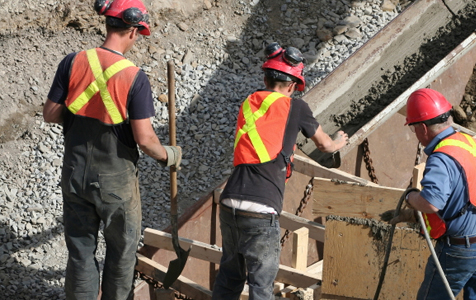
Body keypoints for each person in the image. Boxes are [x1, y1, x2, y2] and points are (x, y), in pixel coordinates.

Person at [43, 1, 181, 299]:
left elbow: (51, 114)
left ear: (107, 25)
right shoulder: (134, 77)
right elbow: (144, 140)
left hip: (75, 173)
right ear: (132, 31)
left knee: (80, 251)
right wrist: (168, 155)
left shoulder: (72, 61)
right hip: (115, 182)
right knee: (121, 251)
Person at [212, 43, 348, 299]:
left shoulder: (249, 103)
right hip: (261, 210)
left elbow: (268, 136)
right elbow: (324, 144)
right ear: (293, 86)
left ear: (265, 78)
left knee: (229, 278)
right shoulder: (296, 108)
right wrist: (339, 141)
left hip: (229, 202)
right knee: (261, 287)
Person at [391, 88, 476, 300]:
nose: (415, 133)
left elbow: (432, 202)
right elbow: (464, 194)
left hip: (463, 251)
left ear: (423, 128)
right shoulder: (467, 142)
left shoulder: (441, 158)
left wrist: (410, 198)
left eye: (414, 127)